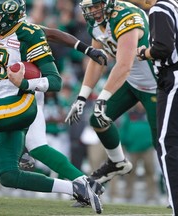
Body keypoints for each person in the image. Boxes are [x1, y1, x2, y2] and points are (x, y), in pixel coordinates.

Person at [0, 0, 102, 213]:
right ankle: (77, 186)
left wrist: (86, 49)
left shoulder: (27, 32)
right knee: (8, 175)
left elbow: (55, 80)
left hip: (23, 97)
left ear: (10, 16)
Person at [65, 0, 157, 185]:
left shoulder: (127, 17)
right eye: (89, 8)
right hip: (131, 83)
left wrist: (102, 99)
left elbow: (124, 65)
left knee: (163, 142)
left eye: (96, 6)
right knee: (98, 119)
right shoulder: (97, 23)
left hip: (156, 84)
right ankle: (117, 162)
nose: (92, 12)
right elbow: (97, 59)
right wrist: (82, 96)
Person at [137, 0, 178, 214]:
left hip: (173, 78)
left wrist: (145, 53)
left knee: (168, 143)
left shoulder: (159, 7)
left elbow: (163, 47)